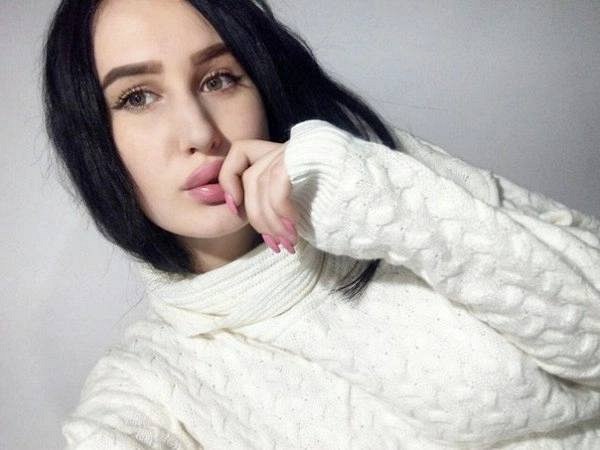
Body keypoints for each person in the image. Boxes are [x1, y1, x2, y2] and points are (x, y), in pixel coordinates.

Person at [42, 0, 600, 448]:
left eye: (219, 79)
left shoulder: (379, 181)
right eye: (137, 97)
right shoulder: (145, 388)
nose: (199, 132)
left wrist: (368, 194)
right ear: (91, 140)